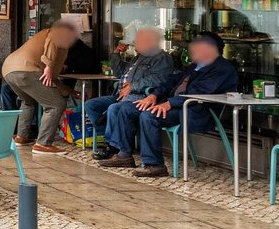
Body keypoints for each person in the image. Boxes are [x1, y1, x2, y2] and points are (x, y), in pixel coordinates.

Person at [101, 31, 240, 177]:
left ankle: (154, 165)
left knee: (149, 116)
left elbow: (198, 93)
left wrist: (169, 103)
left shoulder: (222, 69)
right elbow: (170, 82)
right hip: (175, 105)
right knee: (126, 108)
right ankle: (124, 155)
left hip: (195, 110)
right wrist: (154, 96)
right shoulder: (195, 66)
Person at [89, 28, 178, 163]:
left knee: (114, 108)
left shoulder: (162, 58)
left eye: (137, 40)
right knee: (91, 105)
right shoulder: (139, 57)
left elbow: (158, 79)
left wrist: (132, 86)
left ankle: (113, 145)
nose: (134, 42)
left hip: (139, 96)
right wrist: (116, 53)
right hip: (120, 95)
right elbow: (120, 73)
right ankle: (111, 140)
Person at [0, 19, 81, 153]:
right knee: (56, 104)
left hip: (9, 70)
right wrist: (49, 66)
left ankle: (21, 136)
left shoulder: (43, 36)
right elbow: (47, 68)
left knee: (28, 101)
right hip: (26, 70)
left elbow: (47, 81)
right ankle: (43, 144)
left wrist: (70, 91)